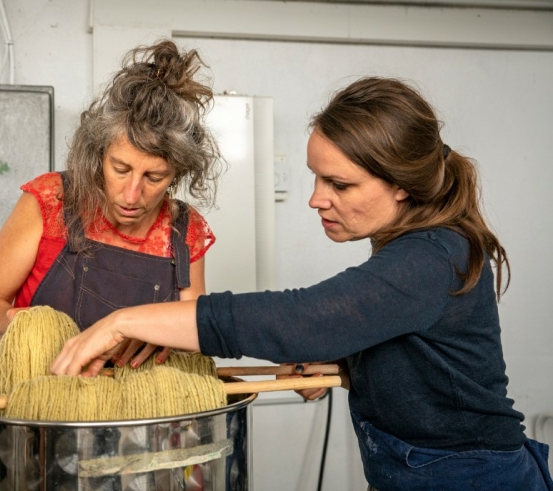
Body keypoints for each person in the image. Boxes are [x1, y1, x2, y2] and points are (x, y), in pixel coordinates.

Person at [50, 77, 553, 490]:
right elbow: (427, 358)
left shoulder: (431, 255)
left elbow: (307, 319)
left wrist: (121, 323)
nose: (316, 199)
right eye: (316, 178)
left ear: (401, 184)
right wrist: (349, 363)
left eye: (339, 184)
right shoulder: (417, 246)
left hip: (473, 476)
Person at [0, 39, 221, 368]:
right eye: (120, 169)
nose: (132, 195)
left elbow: (194, 332)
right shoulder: (52, 200)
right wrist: (30, 326)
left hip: (138, 413)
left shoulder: (183, 232)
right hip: (46, 402)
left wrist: (154, 330)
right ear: (99, 154)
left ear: (177, 174)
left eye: (154, 177)